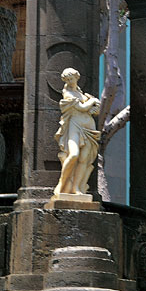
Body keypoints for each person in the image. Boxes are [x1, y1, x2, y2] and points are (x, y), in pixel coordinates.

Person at [53, 68, 101, 196]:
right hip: (75, 127)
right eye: (67, 80)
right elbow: (82, 107)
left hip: (88, 129)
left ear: (77, 77)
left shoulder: (80, 93)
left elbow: (94, 109)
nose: (70, 81)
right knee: (73, 154)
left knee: (84, 159)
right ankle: (62, 185)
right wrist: (93, 101)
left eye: (71, 79)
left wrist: (94, 108)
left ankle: (76, 188)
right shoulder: (68, 94)